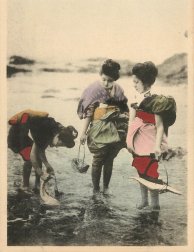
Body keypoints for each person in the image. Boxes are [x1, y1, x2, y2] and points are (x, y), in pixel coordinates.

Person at [126, 61, 176, 211]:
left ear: (146, 82)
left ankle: (155, 205)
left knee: (151, 173)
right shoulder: (135, 98)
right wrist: (129, 139)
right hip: (138, 138)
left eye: (136, 82)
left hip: (150, 140)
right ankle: (144, 201)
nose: (134, 85)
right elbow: (132, 120)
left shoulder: (156, 101)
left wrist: (157, 146)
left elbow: (160, 126)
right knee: (140, 170)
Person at [77, 59, 129, 195]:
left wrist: (125, 118)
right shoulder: (94, 90)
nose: (106, 83)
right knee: (98, 158)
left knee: (110, 159)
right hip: (98, 129)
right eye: (104, 79)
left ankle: (106, 188)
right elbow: (88, 113)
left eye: (110, 81)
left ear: (115, 80)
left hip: (115, 128)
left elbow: (124, 107)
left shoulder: (118, 90)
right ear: (101, 74)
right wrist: (83, 133)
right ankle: (95, 189)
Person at [7, 109, 78, 193]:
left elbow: (41, 149)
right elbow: (33, 156)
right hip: (18, 132)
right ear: (58, 137)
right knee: (29, 159)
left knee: (38, 158)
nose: (56, 147)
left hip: (27, 127)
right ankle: (24, 186)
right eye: (59, 144)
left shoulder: (58, 130)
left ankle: (37, 186)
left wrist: (47, 164)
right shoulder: (44, 133)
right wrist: (41, 173)